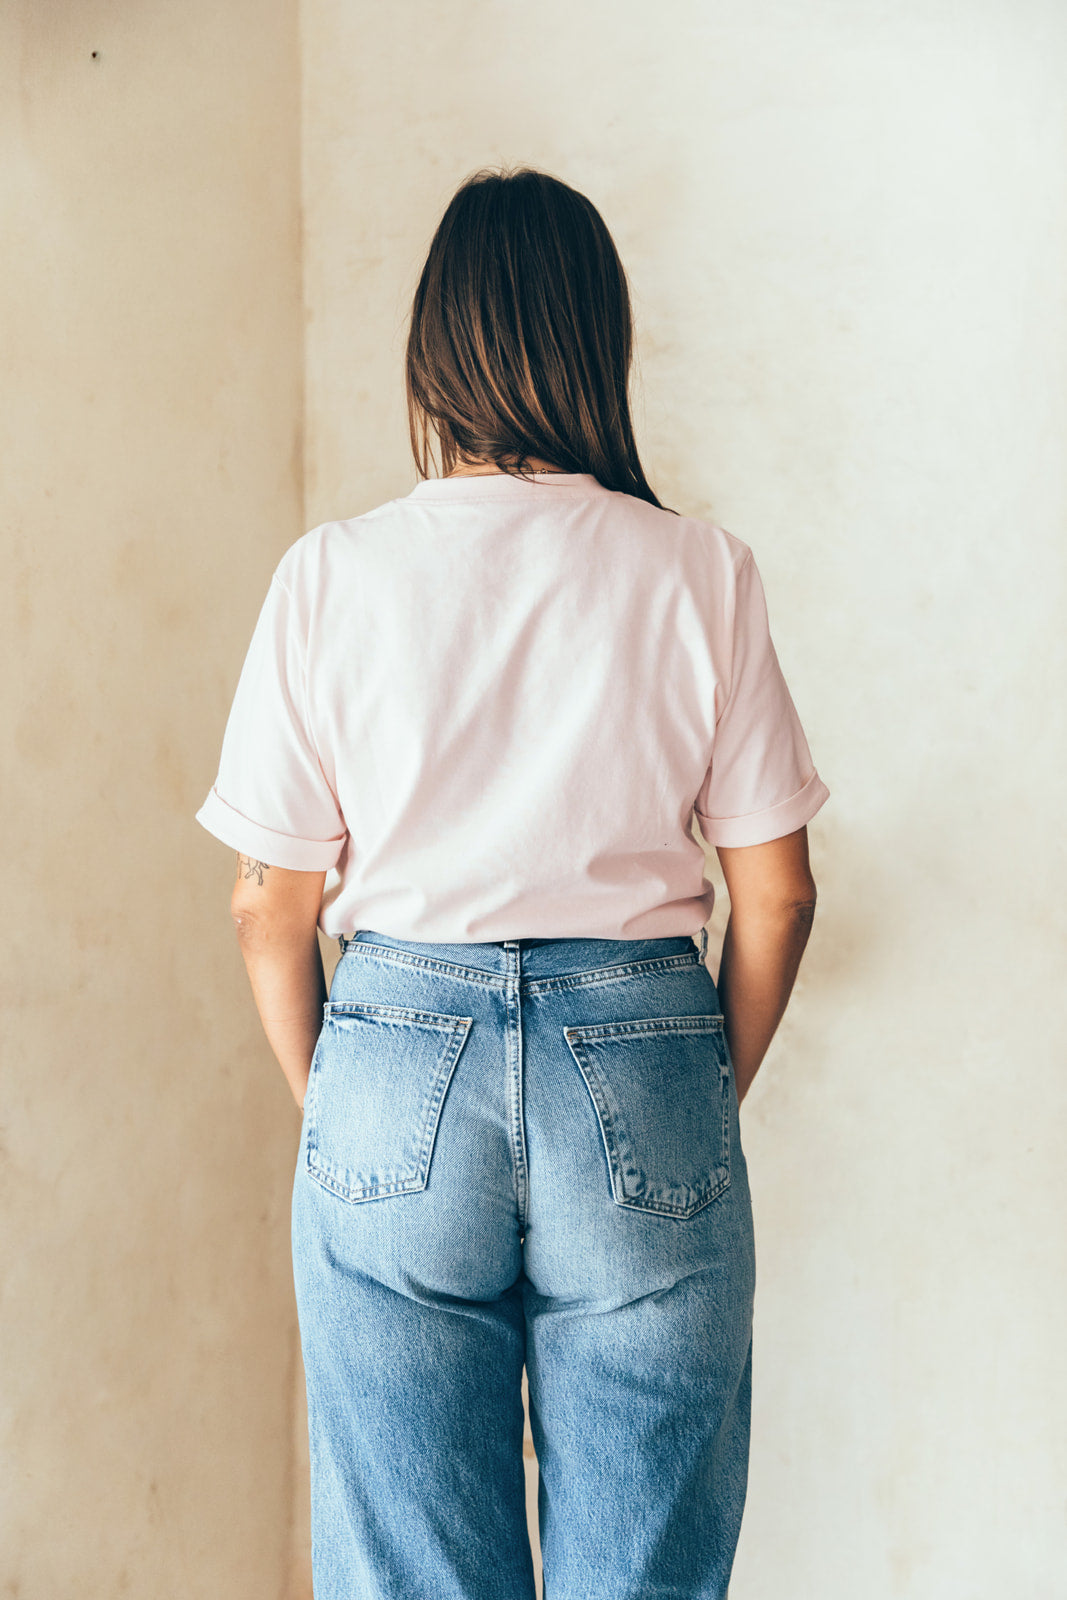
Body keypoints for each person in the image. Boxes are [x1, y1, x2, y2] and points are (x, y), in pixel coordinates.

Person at [195, 165, 829, 1600]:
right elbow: (777, 894)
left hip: (392, 1058)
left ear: (435, 352)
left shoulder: (331, 575)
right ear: (597, 343)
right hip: (648, 1049)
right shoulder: (700, 571)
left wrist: (343, 1097)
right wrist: (689, 1089)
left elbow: (265, 905)